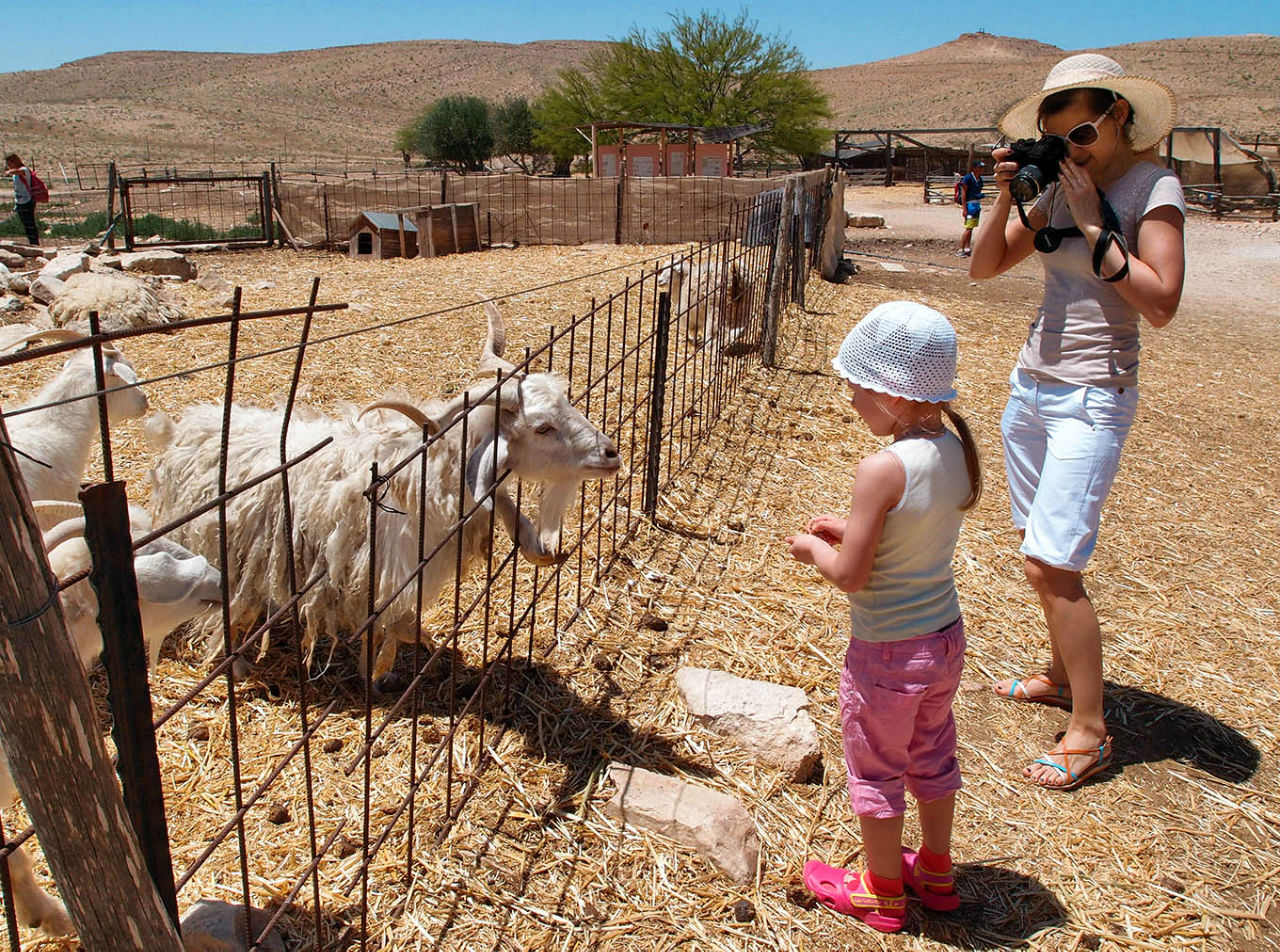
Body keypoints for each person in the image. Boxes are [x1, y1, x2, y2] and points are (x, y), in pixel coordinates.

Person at [969, 53, 1185, 791]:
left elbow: (1160, 303)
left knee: (1053, 565)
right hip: (1031, 386)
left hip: (1094, 393)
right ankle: (1061, 679)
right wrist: (1005, 198)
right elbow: (984, 267)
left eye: (1085, 132)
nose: (1076, 150)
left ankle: (1090, 731)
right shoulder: (1060, 187)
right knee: (1038, 546)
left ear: (1120, 115)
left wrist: (1093, 223)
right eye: (1061, 139)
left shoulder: (1151, 188)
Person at [786, 301, 982, 933]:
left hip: (888, 651)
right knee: (931, 753)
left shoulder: (881, 468)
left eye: (856, 387)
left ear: (891, 391)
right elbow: (914, 528)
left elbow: (852, 576)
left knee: (876, 767)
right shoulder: (954, 450)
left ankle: (880, 890)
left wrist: (816, 547)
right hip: (943, 642)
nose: (850, 400)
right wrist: (853, 528)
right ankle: (937, 868)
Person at [4, 152, 41, 247]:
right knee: (26, 224)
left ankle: (35, 243)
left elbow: (19, 172)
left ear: (13, 162)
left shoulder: (24, 170)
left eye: (9, 163)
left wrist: (10, 172)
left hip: (27, 201)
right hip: (19, 202)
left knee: (30, 224)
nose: (8, 166)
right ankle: (31, 243)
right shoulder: (15, 174)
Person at [955, 159, 985, 257]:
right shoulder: (968, 178)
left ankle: (967, 248)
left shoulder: (980, 179)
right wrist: (964, 208)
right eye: (980, 168)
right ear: (974, 168)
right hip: (970, 205)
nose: (981, 170)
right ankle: (961, 249)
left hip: (976, 205)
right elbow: (964, 193)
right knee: (968, 227)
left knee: (971, 228)